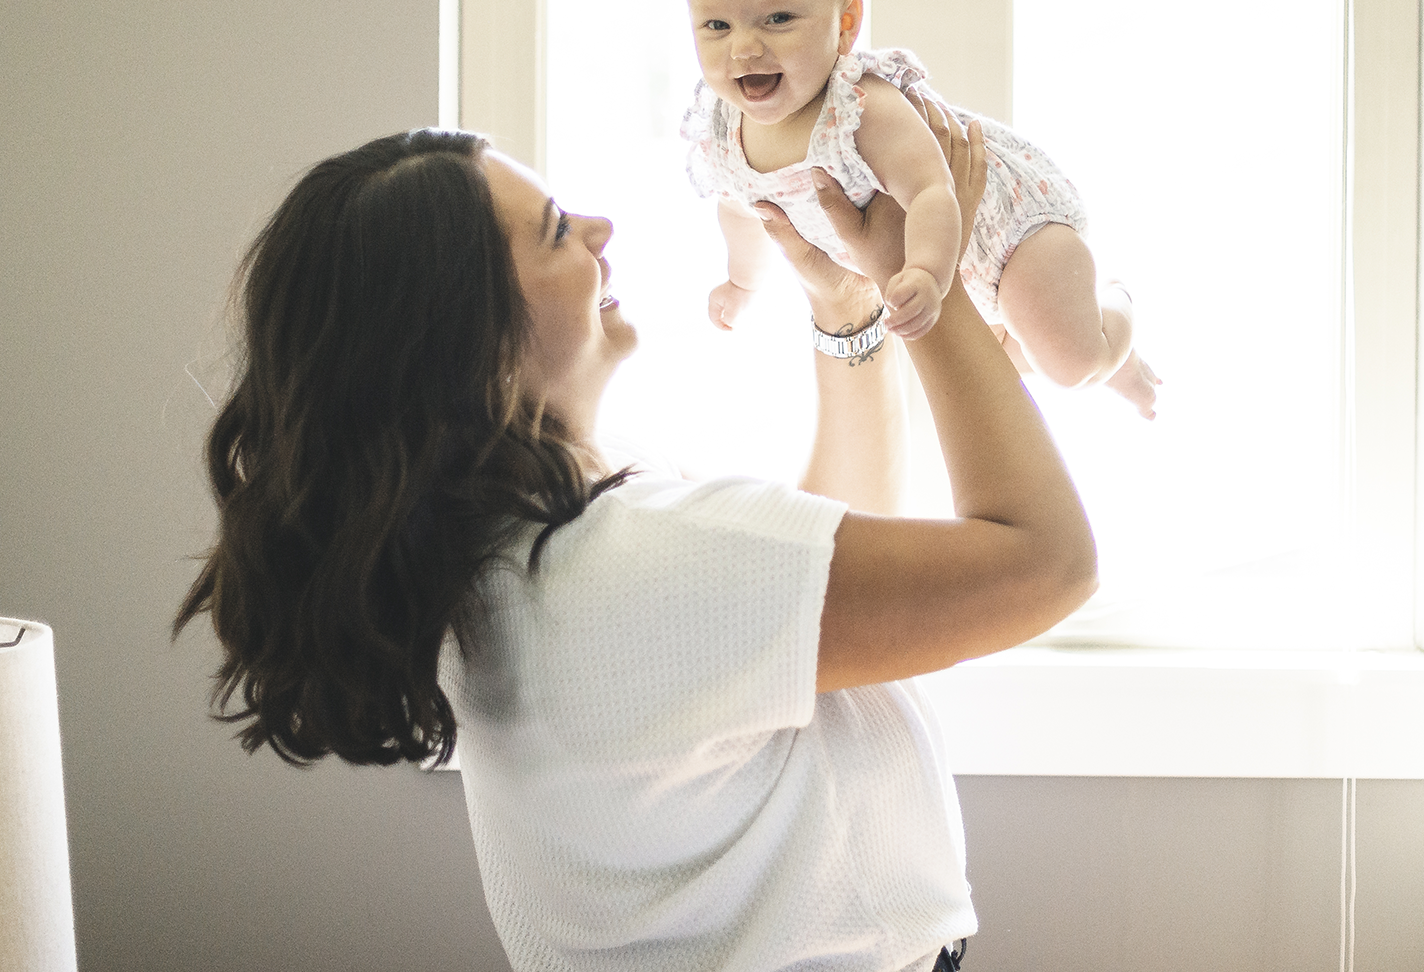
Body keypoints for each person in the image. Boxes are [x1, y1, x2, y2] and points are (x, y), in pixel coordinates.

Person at [175, 105, 1098, 972]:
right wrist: (926, 284)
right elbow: (1047, 562)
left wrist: (850, 315)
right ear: (476, 340)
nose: (599, 226)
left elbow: (802, 601)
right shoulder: (625, 566)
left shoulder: (499, 551)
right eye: (554, 230)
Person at [680, 0, 1159, 418]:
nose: (744, 47)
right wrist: (742, 281)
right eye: (717, 26)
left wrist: (930, 273)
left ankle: (1116, 317)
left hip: (1005, 232)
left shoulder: (858, 105)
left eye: (778, 19)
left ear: (845, 24)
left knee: (1071, 364)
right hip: (944, 276)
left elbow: (933, 189)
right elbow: (742, 209)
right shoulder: (722, 127)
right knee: (1005, 363)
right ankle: (1096, 349)